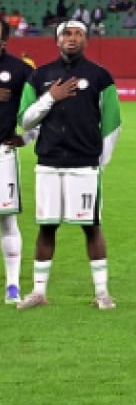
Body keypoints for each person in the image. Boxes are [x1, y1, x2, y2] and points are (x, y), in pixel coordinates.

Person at [16, 20, 122, 309]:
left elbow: (112, 124)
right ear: (57, 39)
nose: (71, 38)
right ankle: (38, 293)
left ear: (86, 40)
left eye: (77, 34)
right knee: (46, 226)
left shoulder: (100, 76)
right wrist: (51, 97)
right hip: (48, 163)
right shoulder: (40, 76)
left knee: (90, 226)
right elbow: (24, 120)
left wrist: (99, 162)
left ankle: (102, 292)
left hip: (84, 165)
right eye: (66, 33)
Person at [0, 21, 34, 303]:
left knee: (7, 219)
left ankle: (12, 285)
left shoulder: (20, 70)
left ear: (5, 38)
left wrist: (29, 136)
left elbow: (43, 103)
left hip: (3, 153)